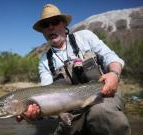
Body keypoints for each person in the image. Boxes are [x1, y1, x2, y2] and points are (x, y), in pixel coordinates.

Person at [17, 4, 131, 135]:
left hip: (103, 95)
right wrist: (34, 114)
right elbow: (46, 93)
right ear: (42, 31)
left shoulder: (85, 37)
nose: (50, 27)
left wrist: (114, 74)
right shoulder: (44, 61)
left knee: (100, 113)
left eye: (54, 22)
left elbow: (110, 57)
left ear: (64, 23)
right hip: (71, 109)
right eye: (45, 25)